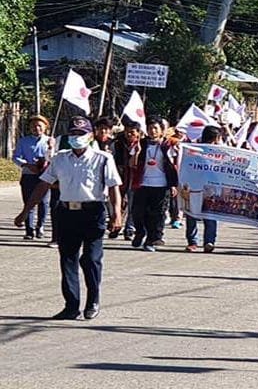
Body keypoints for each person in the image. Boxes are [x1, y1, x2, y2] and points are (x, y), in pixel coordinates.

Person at [14, 116, 122, 320]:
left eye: (81, 134)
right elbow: (43, 185)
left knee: (90, 259)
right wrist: (25, 211)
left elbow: (114, 187)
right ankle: (71, 305)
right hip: (66, 213)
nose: (76, 137)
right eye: (73, 134)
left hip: (93, 212)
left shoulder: (103, 158)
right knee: (68, 260)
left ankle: (93, 301)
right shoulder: (60, 158)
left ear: (90, 136)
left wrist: (117, 215)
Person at [129, 117, 179, 252]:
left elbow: (173, 165)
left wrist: (174, 184)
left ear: (161, 131)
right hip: (143, 183)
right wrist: (137, 152)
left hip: (161, 184)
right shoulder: (140, 144)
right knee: (138, 212)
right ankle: (140, 232)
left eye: (155, 128)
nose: (152, 131)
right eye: (150, 128)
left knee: (157, 214)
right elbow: (131, 164)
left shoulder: (168, 145)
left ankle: (151, 239)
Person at [13, 115, 52, 240]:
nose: (36, 128)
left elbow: (55, 157)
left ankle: (40, 227)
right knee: (29, 202)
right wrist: (26, 164)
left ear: (45, 127)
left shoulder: (50, 140)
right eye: (33, 126)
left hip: (45, 176)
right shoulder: (23, 141)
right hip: (29, 175)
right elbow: (16, 157)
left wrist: (51, 148)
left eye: (39, 125)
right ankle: (29, 230)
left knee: (44, 203)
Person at [184, 126, 220, 253]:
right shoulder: (194, 150)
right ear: (216, 138)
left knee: (208, 215)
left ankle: (207, 242)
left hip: (210, 188)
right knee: (193, 214)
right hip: (197, 187)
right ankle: (196, 241)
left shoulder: (220, 152)